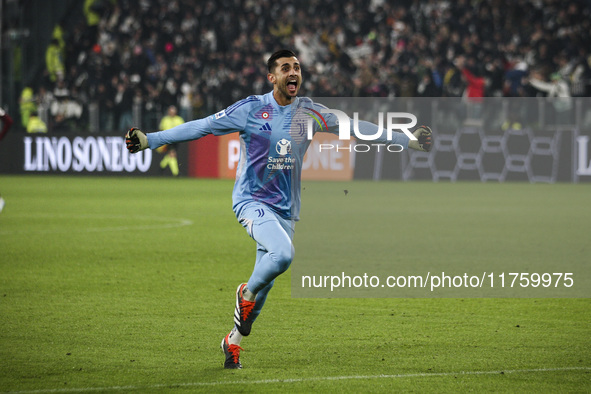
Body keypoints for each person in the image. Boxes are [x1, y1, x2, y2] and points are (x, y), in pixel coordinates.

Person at [125, 49, 433, 369]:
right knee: (282, 256)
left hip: (286, 212)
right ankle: (244, 291)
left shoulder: (310, 114)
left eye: (297, 67)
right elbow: (203, 126)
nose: (293, 72)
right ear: (272, 77)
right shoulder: (252, 109)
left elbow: (357, 127)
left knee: (261, 297)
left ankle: (233, 341)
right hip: (252, 201)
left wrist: (407, 140)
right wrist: (151, 139)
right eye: (286, 68)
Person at [157, 106, 184, 176]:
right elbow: (161, 129)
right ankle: (176, 173)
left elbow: (183, 129)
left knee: (170, 154)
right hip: (167, 139)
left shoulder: (179, 119)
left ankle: (162, 165)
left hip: (176, 140)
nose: (172, 113)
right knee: (172, 154)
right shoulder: (165, 119)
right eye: (170, 111)